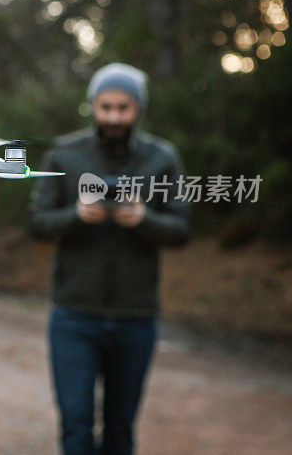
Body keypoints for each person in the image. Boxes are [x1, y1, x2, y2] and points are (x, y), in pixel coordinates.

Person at [28, 63, 190, 455]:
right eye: (105, 107)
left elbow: (182, 229)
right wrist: (77, 216)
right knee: (76, 426)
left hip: (136, 317)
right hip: (74, 316)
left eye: (123, 108)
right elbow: (37, 222)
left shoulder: (161, 158)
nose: (114, 117)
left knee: (120, 430)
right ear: (93, 106)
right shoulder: (64, 155)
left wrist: (144, 219)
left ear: (138, 109)